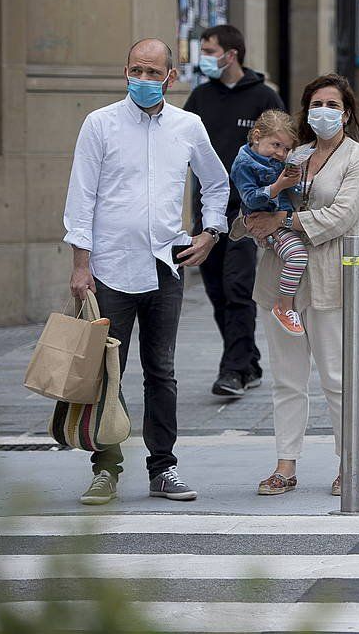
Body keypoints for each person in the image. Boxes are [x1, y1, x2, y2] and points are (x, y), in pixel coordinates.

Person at [64, 38, 229, 506]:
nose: (144, 79)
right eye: (136, 70)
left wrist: (209, 233)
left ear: (170, 78)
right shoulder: (100, 124)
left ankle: (164, 468)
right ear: (125, 72)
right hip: (110, 268)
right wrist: (80, 265)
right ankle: (105, 469)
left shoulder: (188, 126)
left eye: (153, 72)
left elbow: (216, 184)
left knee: (162, 372)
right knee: (106, 374)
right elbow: (81, 197)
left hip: (165, 266)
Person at [243, 74, 359, 497]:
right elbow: (261, 197)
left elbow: (341, 216)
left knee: (338, 378)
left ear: (346, 112)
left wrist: (282, 221)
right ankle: (286, 464)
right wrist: (254, 219)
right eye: (316, 103)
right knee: (286, 378)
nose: (323, 111)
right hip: (280, 278)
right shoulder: (294, 154)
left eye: (332, 104)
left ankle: (350, 463)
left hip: (332, 278)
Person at [183, 24, 286, 398]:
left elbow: (281, 149)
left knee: (238, 287)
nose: (205, 58)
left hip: (246, 211)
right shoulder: (200, 98)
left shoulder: (263, 97)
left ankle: (233, 371)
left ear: (231, 53)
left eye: (210, 50)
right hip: (207, 211)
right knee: (216, 290)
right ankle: (249, 361)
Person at [229, 110, 309, 336]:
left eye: (285, 149)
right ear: (256, 137)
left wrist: (295, 181)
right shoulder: (244, 164)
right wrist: (278, 186)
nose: (281, 153)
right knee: (298, 255)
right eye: (276, 145)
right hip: (264, 220)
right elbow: (250, 198)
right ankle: (284, 307)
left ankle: (245, 225)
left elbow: (288, 189)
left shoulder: (273, 159)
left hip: (280, 216)